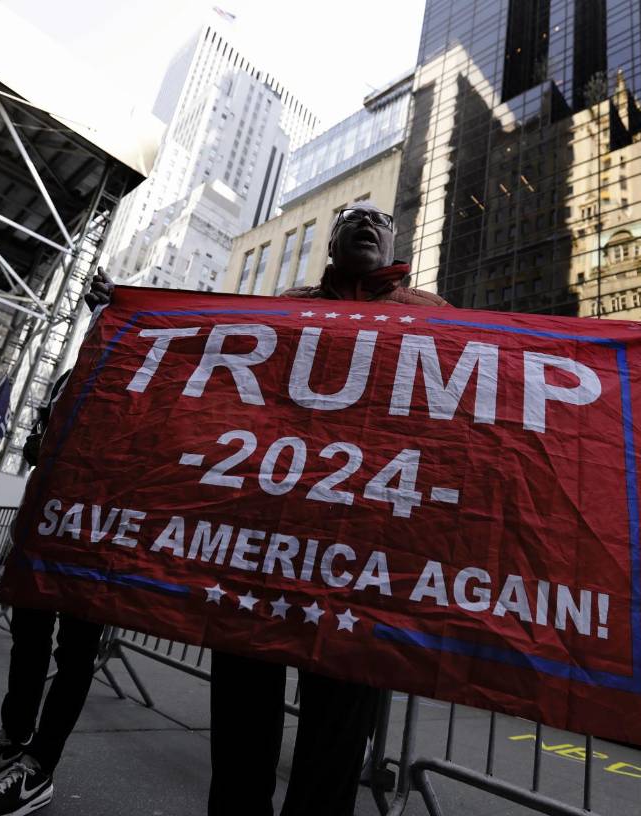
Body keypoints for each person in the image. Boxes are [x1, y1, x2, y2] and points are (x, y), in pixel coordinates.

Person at [86, 201, 448, 816]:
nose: (365, 222)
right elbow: (204, 365)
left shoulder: (433, 315)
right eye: (349, 219)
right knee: (242, 717)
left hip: (358, 559)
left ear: (395, 245)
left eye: (378, 220)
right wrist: (128, 311)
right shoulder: (285, 306)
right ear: (330, 245)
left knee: (336, 733)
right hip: (260, 548)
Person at [0, 369, 104, 816]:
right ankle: (12, 743)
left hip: (100, 539)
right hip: (45, 526)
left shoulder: (146, 374)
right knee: (28, 643)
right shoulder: (72, 375)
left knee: (75, 655)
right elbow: (40, 442)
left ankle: (40, 768)